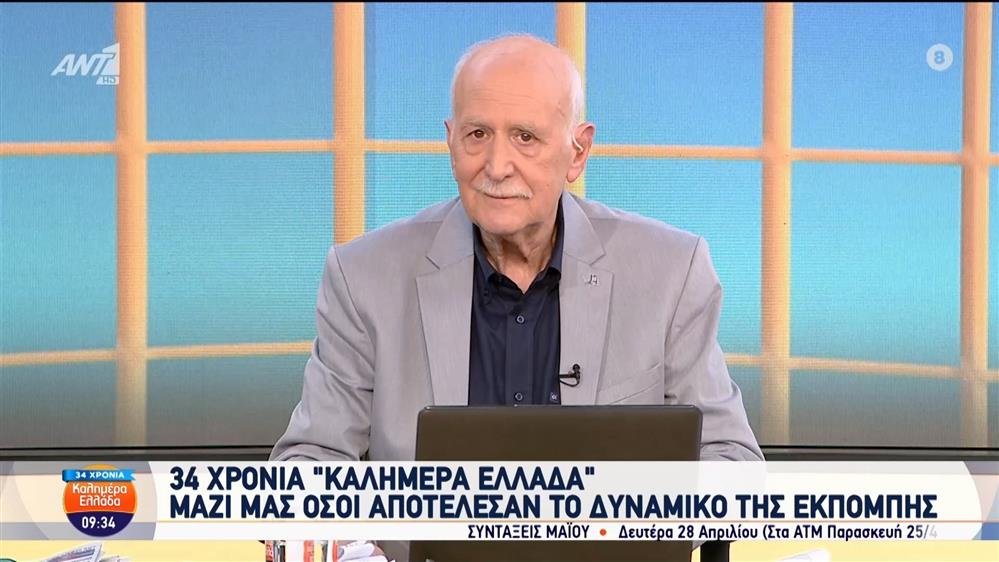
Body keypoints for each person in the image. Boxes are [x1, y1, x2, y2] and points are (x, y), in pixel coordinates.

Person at [272, 34, 763, 560]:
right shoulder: (364, 276)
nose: (497, 165)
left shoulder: (669, 271)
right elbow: (308, 464)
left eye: (525, 137)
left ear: (578, 152)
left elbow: (732, 461)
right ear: (450, 142)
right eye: (477, 134)